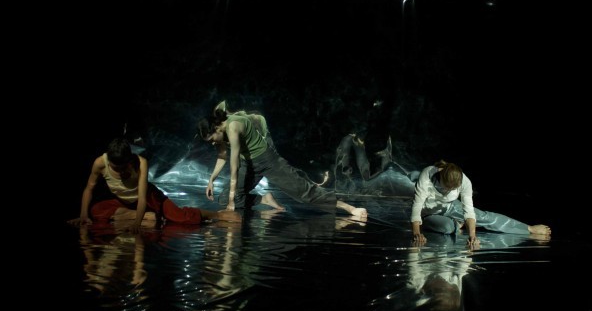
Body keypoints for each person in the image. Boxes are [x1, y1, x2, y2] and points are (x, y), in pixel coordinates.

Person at [197, 102, 368, 218]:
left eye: (212, 138)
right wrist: (211, 180)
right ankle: (265, 199)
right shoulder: (220, 133)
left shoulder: (233, 126)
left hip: (268, 160)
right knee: (223, 198)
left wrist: (232, 204)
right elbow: (222, 156)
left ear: (217, 127)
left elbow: (233, 165)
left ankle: (349, 208)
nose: (213, 142)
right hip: (248, 164)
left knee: (303, 193)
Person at [68, 137, 232, 233]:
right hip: (123, 201)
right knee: (96, 211)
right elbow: (89, 188)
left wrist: (136, 225)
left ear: (128, 161)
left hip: (148, 197)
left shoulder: (140, 163)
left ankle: (216, 215)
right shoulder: (100, 163)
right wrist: (83, 215)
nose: (119, 172)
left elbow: (141, 198)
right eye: (114, 168)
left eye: (122, 168)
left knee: (181, 219)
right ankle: (147, 216)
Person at [410, 160, 551, 249]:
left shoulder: (465, 182)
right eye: (446, 188)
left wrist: (472, 235)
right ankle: (456, 224)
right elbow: (416, 206)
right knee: (448, 228)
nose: (448, 191)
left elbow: (469, 210)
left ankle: (529, 228)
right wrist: (417, 233)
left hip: (450, 206)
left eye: (452, 189)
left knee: (484, 217)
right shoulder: (427, 175)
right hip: (429, 213)